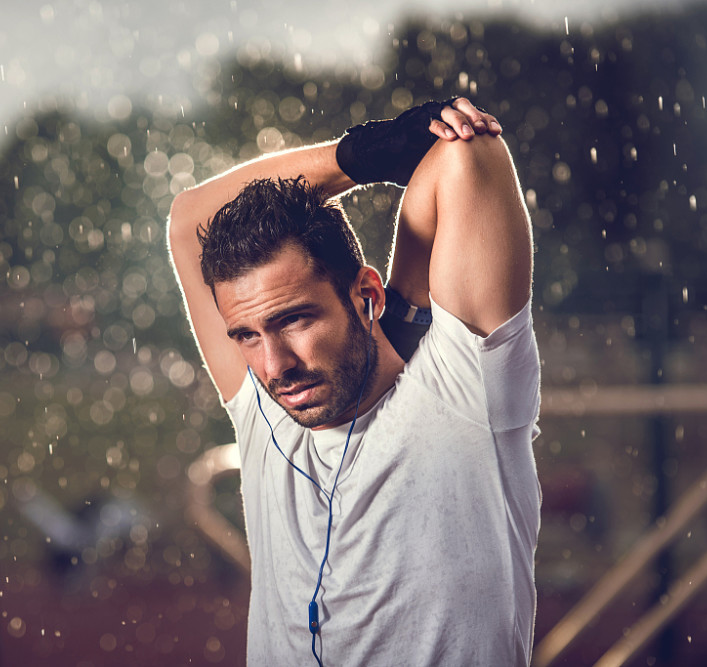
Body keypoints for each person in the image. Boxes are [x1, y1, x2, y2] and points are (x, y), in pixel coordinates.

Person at [167, 97, 541, 666]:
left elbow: (468, 156)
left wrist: (406, 292)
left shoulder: (463, 393)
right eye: (245, 334)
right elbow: (188, 219)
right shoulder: (265, 413)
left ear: (367, 294)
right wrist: (358, 156)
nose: (273, 367)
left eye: (294, 320)